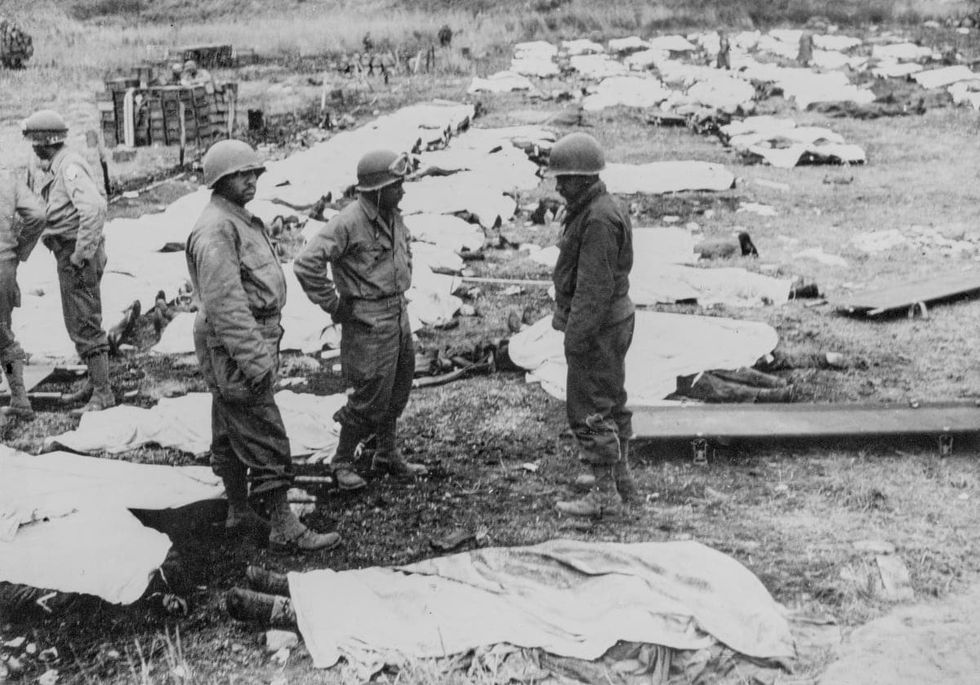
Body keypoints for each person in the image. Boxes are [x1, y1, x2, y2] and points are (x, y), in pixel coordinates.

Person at [185, 139, 340, 554]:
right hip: (237, 341)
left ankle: (238, 510)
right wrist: (255, 360)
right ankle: (283, 525)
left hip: (243, 338)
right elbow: (226, 305)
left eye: (255, 173)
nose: (252, 180)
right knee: (262, 426)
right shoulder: (217, 228)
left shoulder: (236, 219)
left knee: (230, 424)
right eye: (242, 175)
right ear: (220, 180)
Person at [294, 149, 427, 491]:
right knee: (369, 394)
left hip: (397, 312)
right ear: (377, 189)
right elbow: (307, 263)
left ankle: (386, 452)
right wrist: (334, 306)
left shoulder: (392, 214)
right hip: (367, 320)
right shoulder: (348, 222)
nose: (403, 190)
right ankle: (341, 462)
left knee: (398, 387)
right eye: (397, 185)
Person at [545, 132, 637, 518]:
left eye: (563, 178)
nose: (557, 185)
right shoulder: (597, 207)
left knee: (590, 406)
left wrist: (576, 338)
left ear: (582, 178)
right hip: (611, 320)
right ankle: (620, 476)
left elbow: (592, 290)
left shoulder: (598, 218)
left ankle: (604, 495)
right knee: (612, 398)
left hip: (597, 325)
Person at [22, 109, 115, 414]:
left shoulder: (69, 166)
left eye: (35, 143)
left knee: (85, 322)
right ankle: (94, 382)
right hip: (68, 251)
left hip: (76, 252)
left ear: (44, 142)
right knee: (77, 320)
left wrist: (80, 254)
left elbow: (94, 209)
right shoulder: (56, 164)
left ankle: (103, 393)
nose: (33, 149)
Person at [0, 169, 47, 419]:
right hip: (4, 266)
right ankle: (19, 398)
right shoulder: (9, 181)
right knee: (3, 334)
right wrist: (18, 251)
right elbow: (38, 216)